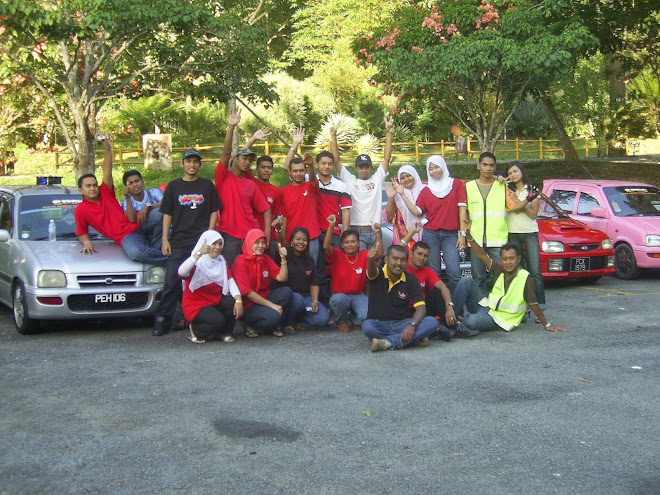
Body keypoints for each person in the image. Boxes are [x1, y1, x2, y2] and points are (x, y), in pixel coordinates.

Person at [152, 147, 222, 336]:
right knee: (172, 280)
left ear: (200, 164)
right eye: (189, 161)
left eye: (196, 161)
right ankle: (163, 319)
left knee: (203, 281)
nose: (192, 165)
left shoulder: (207, 185)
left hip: (200, 241)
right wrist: (165, 238)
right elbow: (167, 214)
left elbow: (214, 211)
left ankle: (201, 319)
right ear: (182, 164)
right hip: (179, 241)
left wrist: (210, 235)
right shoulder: (174, 186)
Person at [75, 136, 167, 267]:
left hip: (140, 222)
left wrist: (107, 148)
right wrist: (86, 242)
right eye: (88, 186)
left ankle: (157, 247)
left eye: (94, 185)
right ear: (80, 190)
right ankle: (172, 262)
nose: (93, 188)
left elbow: (107, 171)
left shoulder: (105, 192)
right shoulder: (81, 209)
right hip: (126, 237)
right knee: (136, 253)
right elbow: (81, 232)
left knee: (160, 213)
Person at [452, 233, 567, 334]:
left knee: (471, 321)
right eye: (505, 259)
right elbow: (482, 255)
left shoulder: (525, 278)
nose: (508, 262)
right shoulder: (499, 269)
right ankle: (453, 319)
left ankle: (461, 323)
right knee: (466, 281)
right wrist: (468, 236)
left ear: (518, 259)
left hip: (500, 320)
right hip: (488, 308)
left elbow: (533, 304)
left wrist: (547, 324)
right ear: (501, 260)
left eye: (511, 258)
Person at [392, 155, 467, 292]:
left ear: (443, 166)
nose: (434, 171)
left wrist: (462, 234)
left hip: (451, 235)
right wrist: (402, 194)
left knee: (454, 273)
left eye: (436, 167)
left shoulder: (456, 184)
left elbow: (462, 210)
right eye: (430, 169)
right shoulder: (426, 191)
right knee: (434, 274)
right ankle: (437, 309)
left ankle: (457, 310)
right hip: (431, 234)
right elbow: (416, 211)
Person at [215, 108, 271, 266]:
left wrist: (265, 234)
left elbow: (266, 209)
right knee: (229, 272)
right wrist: (231, 127)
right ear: (235, 159)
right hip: (229, 236)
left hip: (251, 235)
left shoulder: (250, 183)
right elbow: (226, 153)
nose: (247, 162)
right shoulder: (223, 176)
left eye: (250, 160)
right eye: (244, 159)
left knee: (251, 272)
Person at [401, 230, 479, 340]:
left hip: (423, 307)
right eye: (419, 254)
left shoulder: (427, 271)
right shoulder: (402, 268)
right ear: (410, 254)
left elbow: (443, 287)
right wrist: (413, 231)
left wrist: (449, 307)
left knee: (438, 293)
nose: (422, 258)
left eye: (425, 256)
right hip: (406, 309)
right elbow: (395, 251)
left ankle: (454, 325)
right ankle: (438, 329)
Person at [362, 244, 438, 352]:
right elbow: (371, 272)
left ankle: (388, 342)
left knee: (431, 322)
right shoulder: (377, 273)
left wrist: (412, 325)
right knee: (367, 326)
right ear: (386, 259)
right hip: (379, 323)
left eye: (403, 260)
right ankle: (412, 339)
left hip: (403, 323)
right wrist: (370, 260)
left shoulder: (411, 280)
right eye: (395, 258)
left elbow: (421, 308)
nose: (399, 263)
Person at [334, 117, 393, 250]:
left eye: (367, 167)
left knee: (375, 268)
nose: (364, 170)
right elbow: (336, 162)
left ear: (371, 168)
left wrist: (388, 133)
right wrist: (333, 136)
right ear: (356, 168)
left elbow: (386, 158)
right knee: (359, 267)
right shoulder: (349, 180)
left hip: (375, 230)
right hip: (356, 232)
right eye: (361, 167)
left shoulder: (377, 179)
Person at [465, 152, 518, 294]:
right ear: (478, 166)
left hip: (498, 240)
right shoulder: (468, 187)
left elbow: (514, 206)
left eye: (491, 165)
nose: (488, 168)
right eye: (485, 165)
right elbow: (463, 211)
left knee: (502, 276)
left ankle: (500, 308)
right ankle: (480, 310)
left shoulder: (502, 186)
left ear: (495, 168)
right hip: (476, 240)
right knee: (478, 279)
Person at [178, 230, 243, 344]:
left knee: (232, 304)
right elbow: (181, 272)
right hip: (195, 305)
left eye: (220, 244)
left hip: (213, 301)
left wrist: (238, 300)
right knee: (218, 321)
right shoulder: (197, 263)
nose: (217, 247)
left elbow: (230, 281)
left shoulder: (221, 261)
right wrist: (198, 254)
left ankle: (223, 333)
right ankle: (195, 329)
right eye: (214, 243)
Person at [323, 214, 381, 332]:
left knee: (366, 316)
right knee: (339, 300)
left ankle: (354, 319)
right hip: (339, 296)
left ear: (358, 243)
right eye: (346, 242)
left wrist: (377, 234)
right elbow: (326, 246)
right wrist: (331, 226)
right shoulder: (337, 255)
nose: (350, 244)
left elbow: (379, 253)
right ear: (342, 245)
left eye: (353, 241)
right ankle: (342, 320)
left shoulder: (364, 255)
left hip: (357, 295)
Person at [232, 228, 294, 337]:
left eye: (263, 242)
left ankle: (273, 325)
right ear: (249, 242)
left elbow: (282, 278)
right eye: (257, 242)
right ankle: (251, 325)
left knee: (287, 292)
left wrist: (283, 259)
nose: (260, 246)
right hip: (248, 305)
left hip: (263, 297)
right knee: (274, 316)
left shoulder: (264, 258)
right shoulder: (240, 262)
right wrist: (273, 306)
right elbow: (248, 293)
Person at [504, 161, 546, 310]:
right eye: (509, 173)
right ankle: (521, 303)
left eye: (515, 171)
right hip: (512, 232)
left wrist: (519, 201)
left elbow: (533, 214)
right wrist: (523, 202)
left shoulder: (532, 190)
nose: (512, 175)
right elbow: (512, 209)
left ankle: (540, 305)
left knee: (535, 270)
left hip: (530, 233)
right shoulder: (507, 189)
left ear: (521, 171)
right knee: (516, 270)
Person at [274, 226, 330, 331]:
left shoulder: (309, 260)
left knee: (323, 319)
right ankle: (288, 322)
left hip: (305, 298)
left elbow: (314, 282)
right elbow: (281, 243)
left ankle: (300, 319)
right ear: (291, 240)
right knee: (298, 300)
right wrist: (279, 230)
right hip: (289, 298)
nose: (301, 242)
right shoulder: (286, 254)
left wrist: (315, 301)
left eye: (304, 240)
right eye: (298, 239)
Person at [280, 127, 321, 262]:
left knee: (311, 270)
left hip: (312, 236)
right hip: (292, 237)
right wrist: (295, 144)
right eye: (295, 171)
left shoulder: (310, 186)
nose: (298, 174)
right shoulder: (284, 191)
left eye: (301, 171)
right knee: (293, 271)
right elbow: (284, 217)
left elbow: (314, 180)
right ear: (290, 173)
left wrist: (310, 166)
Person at [384, 165, 425, 249]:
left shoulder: (426, 190)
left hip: (426, 234)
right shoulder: (397, 194)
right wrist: (390, 198)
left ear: (414, 175)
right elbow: (389, 217)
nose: (406, 179)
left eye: (408, 175)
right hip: (405, 238)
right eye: (402, 178)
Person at [251, 154, 282, 258]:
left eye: (269, 168)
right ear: (256, 169)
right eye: (263, 167)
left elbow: (274, 215)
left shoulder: (276, 191)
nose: (266, 170)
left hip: (270, 237)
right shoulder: (251, 184)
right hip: (252, 234)